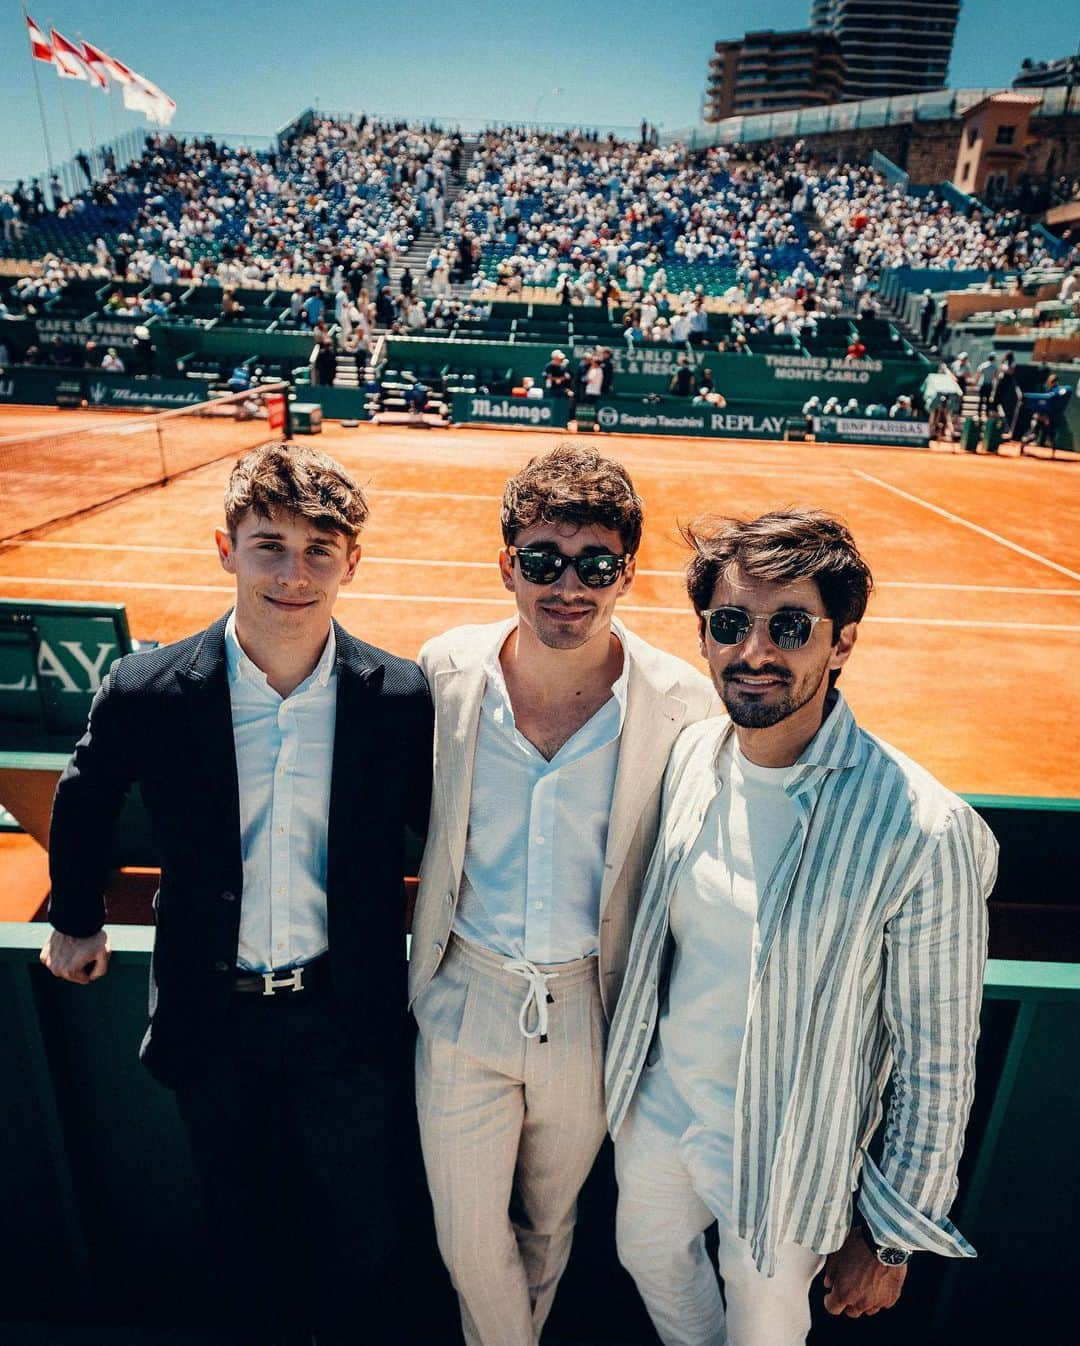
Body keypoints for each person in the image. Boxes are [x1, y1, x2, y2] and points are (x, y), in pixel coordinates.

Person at [41, 444, 434, 1345]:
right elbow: (85, 794)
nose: (294, 574)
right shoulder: (148, 689)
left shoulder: (400, 695)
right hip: (211, 1022)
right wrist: (74, 916)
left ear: (352, 562)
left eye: (319, 550)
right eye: (269, 546)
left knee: (362, 1235)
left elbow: (445, 830)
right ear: (226, 549)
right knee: (239, 1235)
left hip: (345, 1018)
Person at [606, 510, 998, 1346]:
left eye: (790, 626)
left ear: (842, 642)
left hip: (790, 1151)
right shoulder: (690, 757)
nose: (755, 652)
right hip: (665, 1109)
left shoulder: (925, 829)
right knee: (645, 1254)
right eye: (730, 624)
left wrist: (893, 1235)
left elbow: (937, 1059)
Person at [410, 445, 718, 1346]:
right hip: (464, 993)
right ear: (507, 564)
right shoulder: (445, 671)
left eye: (596, 565)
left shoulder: (682, 705)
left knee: (549, 1227)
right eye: (542, 561)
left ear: (628, 571)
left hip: (592, 1009)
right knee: (469, 1240)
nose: (568, 587)